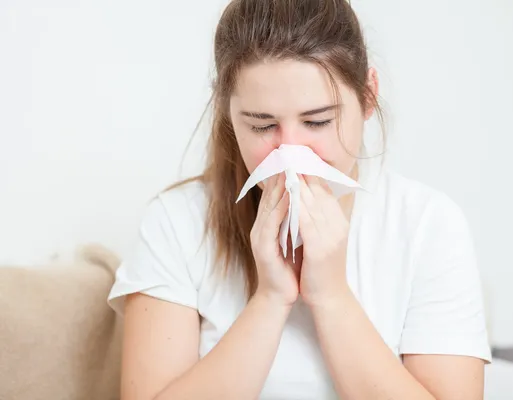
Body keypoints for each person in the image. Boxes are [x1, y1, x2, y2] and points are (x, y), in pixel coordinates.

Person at [107, 0, 492, 399]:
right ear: (228, 114)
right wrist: (271, 299)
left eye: (317, 121)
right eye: (262, 125)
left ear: (368, 97)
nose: (289, 151)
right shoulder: (177, 221)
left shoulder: (428, 224)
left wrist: (331, 296)